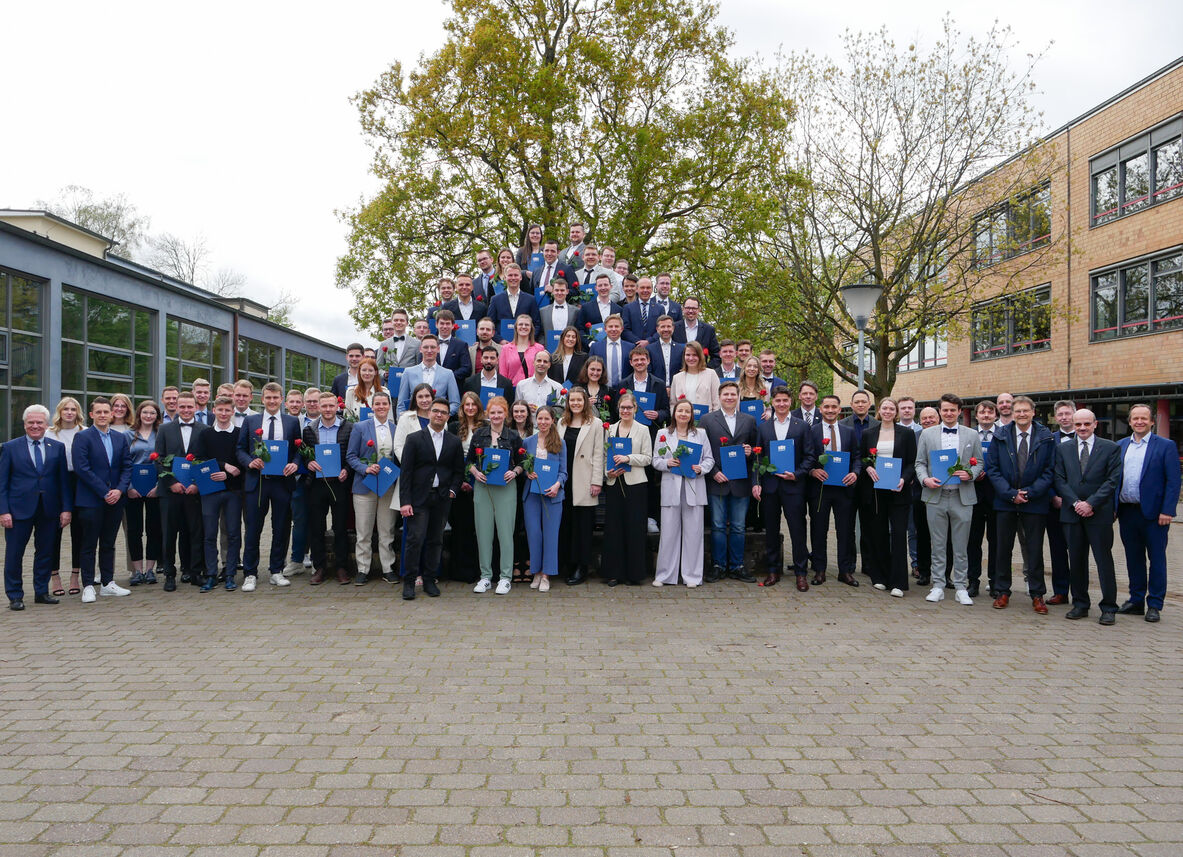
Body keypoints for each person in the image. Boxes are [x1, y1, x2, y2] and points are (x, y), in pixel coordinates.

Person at [985, 395, 1056, 613]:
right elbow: (992, 469)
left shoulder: (1046, 437)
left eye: (1026, 410)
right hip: (1005, 502)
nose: (1022, 414)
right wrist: (1010, 494)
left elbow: (1049, 470)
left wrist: (1029, 493)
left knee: (1034, 550)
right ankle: (1002, 591)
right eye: (1018, 411)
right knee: (1002, 549)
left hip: (1034, 502)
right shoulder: (1000, 435)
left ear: (1034, 412)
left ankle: (1037, 595)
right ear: (1012, 414)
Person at [914, 393, 984, 606]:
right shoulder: (928, 434)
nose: (949, 413)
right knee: (937, 544)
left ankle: (961, 587)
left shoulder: (971, 435)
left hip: (962, 497)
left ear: (959, 412)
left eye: (953, 410)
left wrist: (970, 473)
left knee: (961, 545)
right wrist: (925, 480)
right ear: (939, 411)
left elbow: (979, 462)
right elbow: (920, 463)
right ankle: (938, 585)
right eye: (945, 410)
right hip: (936, 496)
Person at [1, 405, 72, 610]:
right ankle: (15, 595)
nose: (35, 426)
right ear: (24, 425)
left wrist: (66, 509)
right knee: (14, 553)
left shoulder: (56, 448)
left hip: (49, 509)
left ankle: (41, 592)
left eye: (39, 422)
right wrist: (3, 510)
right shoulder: (10, 447)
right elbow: (2, 483)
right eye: (31, 422)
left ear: (46, 425)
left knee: (45, 552)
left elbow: (63, 483)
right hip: (17, 510)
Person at [1055, 409, 1122, 625]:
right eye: (1078, 425)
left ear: (1095, 424)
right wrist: (1076, 503)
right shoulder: (1062, 449)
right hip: (1072, 513)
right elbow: (1059, 479)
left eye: (1086, 424)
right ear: (1073, 426)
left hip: (1098, 513)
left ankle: (1109, 607)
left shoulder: (1111, 448)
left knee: (1103, 560)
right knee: (1076, 560)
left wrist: (1090, 503)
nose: (1082, 428)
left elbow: (1112, 480)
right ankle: (1080, 604)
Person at [1116, 403, 1180, 623]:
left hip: (1155, 515)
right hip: (1127, 512)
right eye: (1135, 418)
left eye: (1144, 418)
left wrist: (1168, 510)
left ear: (1152, 421)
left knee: (1157, 559)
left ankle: (1154, 604)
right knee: (1133, 559)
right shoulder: (1121, 445)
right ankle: (1135, 600)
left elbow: (1173, 481)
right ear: (1130, 421)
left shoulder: (1165, 446)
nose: (1139, 422)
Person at [398, 397, 465, 601]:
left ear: (448, 416)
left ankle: (429, 580)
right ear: (429, 413)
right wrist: (405, 501)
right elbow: (406, 472)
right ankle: (409, 582)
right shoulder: (414, 438)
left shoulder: (453, 441)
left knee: (436, 541)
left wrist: (453, 490)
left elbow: (458, 471)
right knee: (415, 540)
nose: (439, 415)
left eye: (443, 412)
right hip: (418, 499)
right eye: (436, 411)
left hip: (442, 498)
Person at [235, 382, 301, 591]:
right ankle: (250, 573)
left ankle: (276, 570)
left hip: (282, 482)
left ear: (282, 399)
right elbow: (240, 449)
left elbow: (299, 449)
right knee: (253, 528)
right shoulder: (250, 420)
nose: (272, 401)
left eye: (276, 398)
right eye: (268, 398)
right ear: (262, 399)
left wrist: (295, 463)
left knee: (280, 528)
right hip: (257, 482)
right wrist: (249, 462)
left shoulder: (291, 422)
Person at [753, 387, 817, 590]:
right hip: (770, 487)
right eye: (777, 400)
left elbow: (810, 456)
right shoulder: (763, 428)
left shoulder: (801, 426)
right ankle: (773, 571)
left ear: (791, 402)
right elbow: (757, 457)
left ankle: (801, 573)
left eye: (785, 400)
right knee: (771, 531)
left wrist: (797, 474)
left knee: (798, 530)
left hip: (793, 486)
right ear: (772, 402)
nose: (781, 404)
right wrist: (757, 482)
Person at [72, 398, 133, 603]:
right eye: (98, 412)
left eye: (106, 412)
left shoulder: (120, 438)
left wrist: (119, 490)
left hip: (116, 500)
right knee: (89, 543)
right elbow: (82, 468)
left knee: (109, 543)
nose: (103, 415)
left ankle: (107, 583)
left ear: (112, 414)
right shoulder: (82, 437)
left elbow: (127, 467)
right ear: (91, 415)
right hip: (91, 500)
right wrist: (104, 491)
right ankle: (88, 585)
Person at [700, 381, 758, 582]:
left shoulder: (749, 420)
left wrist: (750, 453)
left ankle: (737, 566)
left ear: (738, 396)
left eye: (733, 394)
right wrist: (713, 472)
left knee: (738, 526)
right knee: (716, 525)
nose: (730, 398)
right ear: (719, 397)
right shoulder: (707, 420)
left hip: (740, 482)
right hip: (717, 481)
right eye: (726, 394)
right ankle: (718, 566)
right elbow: (702, 451)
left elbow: (755, 451)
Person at [858, 397, 916, 597]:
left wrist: (904, 479)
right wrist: (868, 467)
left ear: (896, 412)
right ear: (879, 410)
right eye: (885, 408)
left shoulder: (906, 434)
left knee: (899, 535)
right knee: (878, 533)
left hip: (898, 490)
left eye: (892, 408)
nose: (888, 411)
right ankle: (880, 577)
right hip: (875, 491)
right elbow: (861, 457)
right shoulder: (868, 433)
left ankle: (899, 582)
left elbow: (912, 462)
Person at [653, 400, 714, 587]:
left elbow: (709, 459)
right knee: (669, 534)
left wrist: (700, 468)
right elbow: (655, 460)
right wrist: (667, 463)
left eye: (687, 411)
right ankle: (664, 576)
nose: (683, 414)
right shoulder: (663, 433)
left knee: (694, 534)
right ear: (674, 413)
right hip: (671, 487)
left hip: (694, 487)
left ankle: (692, 576)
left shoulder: (700, 434)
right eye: (680, 410)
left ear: (691, 415)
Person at [467, 396, 523, 594]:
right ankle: (485, 576)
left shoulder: (514, 436)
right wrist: (475, 472)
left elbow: (523, 462)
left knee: (505, 533)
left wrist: (514, 472)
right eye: (493, 413)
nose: (496, 416)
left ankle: (505, 577)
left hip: (506, 488)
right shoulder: (479, 434)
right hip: (483, 488)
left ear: (506, 414)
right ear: (487, 415)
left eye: (500, 412)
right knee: (483, 533)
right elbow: (469, 461)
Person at [806, 394, 861, 586]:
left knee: (845, 530)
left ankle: (844, 571)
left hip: (844, 488)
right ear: (820, 409)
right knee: (818, 529)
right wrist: (812, 471)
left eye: (834, 407)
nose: (830, 410)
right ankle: (819, 570)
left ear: (840, 409)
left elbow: (857, 457)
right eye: (826, 407)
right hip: (819, 488)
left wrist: (855, 473)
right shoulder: (811, 431)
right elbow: (806, 457)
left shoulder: (849, 432)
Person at [156, 391, 208, 592]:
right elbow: (158, 458)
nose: (186, 410)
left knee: (196, 532)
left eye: (190, 406)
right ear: (176, 407)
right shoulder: (164, 429)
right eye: (182, 406)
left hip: (194, 491)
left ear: (196, 407)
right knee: (169, 534)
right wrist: (171, 483)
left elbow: (206, 460)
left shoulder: (205, 429)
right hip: (170, 491)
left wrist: (198, 483)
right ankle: (170, 574)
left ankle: (195, 572)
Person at [347, 391, 400, 586]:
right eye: (377, 404)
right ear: (371, 406)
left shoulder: (396, 429)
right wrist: (366, 468)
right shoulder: (360, 427)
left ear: (389, 406)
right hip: (364, 485)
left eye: (384, 404)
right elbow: (351, 456)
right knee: (364, 531)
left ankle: (387, 568)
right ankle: (363, 569)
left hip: (388, 486)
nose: (380, 407)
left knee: (387, 530)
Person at [191, 396, 243, 592]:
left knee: (233, 534)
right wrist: (223, 466)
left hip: (233, 491)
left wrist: (229, 472)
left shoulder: (239, 433)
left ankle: (230, 574)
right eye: (220, 410)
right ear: (214, 410)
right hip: (210, 491)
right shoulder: (205, 434)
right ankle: (211, 574)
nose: (223, 414)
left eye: (227, 410)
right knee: (210, 534)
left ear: (232, 412)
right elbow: (199, 458)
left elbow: (244, 460)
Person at [303, 391, 353, 586]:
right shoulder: (309, 429)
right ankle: (320, 567)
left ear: (337, 407)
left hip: (339, 483)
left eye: (331, 406)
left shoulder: (349, 428)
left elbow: (352, 454)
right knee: (316, 527)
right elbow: (304, 453)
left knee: (340, 527)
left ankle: (341, 567)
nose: (327, 409)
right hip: (317, 484)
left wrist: (347, 470)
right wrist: (309, 463)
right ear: (318, 407)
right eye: (324, 406)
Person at [603, 392, 654, 586]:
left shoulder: (642, 429)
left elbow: (648, 458)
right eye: (622, 408)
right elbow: (603, 455)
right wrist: (608, 473)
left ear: (635, 409)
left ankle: (634, 574)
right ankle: (614, 573)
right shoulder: (609, 429)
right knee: (614, 529)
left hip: (636, 485)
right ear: (618, 409)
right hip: (614, 484)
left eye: (629, 408)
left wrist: (628, 459)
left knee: (634, 529)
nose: (625, 411)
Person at [620, 345, 671, 532]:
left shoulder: (658, 384)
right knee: (629, 475)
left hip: (651, 435)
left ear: (648, 361)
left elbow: (667, 411)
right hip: (629, 436)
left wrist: (657, 414)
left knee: (648, 477)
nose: (640, 362)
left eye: (643, 359)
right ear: (631, 362)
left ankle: (650, 517)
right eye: (636, 360)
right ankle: (630, 517)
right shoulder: (623, 384)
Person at [557, 387, 604, 585]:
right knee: (566, 524)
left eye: (579, 400)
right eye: (572, 400)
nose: (575, 403)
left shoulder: (596, 423)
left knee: (583, 526)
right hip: (564, 480)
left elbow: (599, 453)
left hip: (584, 479)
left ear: (585, 402)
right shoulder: (561, 422)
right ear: (567, 403)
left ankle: (581, 566)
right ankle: (567, 563)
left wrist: (596, 481)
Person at [522, 406, 568, 591]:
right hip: (532, 494)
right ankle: (536, 572)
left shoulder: (560, 443)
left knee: (551, 535)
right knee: (534, 534)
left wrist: (557, 485)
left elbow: (564, 471)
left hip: (552, 495)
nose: (542, 422)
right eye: (539, 418)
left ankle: (547, 575)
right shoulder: (528, 442)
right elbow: (523, 466)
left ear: (552, 421)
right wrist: (527, 473)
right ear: (535, 420)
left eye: (546, 419)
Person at [47, 397, 85, 597]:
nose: (69, 412)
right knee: (54, 532)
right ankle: (55, 577)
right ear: (59, 411)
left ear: (77, 412)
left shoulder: (84, 432)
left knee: (79, 532)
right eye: (65, 409)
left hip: (79, 483)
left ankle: (74, 575)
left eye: (73, 409)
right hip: (56, 484)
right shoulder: (50, 433)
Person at [841, 389, 880, 578]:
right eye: (857, 402)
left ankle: (868, 564)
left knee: (868, 525)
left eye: (864, 402)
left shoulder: (879, 425)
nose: (860, 405)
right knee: (847, 525)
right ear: (852, 404)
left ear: (869, 404)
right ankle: (848, 564)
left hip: (870, 482)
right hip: (848, 479)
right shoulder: (842, 424)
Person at [448, 392, 485, 582]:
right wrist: (461, 480)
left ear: (478, 407)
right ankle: (460, 570)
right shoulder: (454, 427)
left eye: (473, 404)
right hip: (458, 481)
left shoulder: (485, 427)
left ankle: (479, 570)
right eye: (466, 405)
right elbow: (451, 457)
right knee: (461, 528)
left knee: (479, 528)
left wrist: (474, 479)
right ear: (462, 408)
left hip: (480, 482)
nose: (470, 408)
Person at [125, 400, 162, 586]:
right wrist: (129, 487)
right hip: (133, 490)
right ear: (139, 414)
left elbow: (164, 461)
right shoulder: (128, 435)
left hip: (154, 488)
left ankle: (150, 570)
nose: (148, 416)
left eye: (152, 413)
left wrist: (159, 485)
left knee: (154, 529)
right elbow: (123, 463)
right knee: (134, 530)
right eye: (145, 412)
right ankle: (137, 570)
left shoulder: (161, 434)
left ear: (157, 416)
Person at [1044, 399, 1077, 604]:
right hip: (1054, 505)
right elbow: (1043, 470)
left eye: (1067, 413)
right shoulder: (1048, 440)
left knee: (1078, 550)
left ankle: (1080, 593)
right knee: (1057, 550)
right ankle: (1061, 591)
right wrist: (1052, 496)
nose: (1064, 417)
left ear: (1074, 414)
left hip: (1080, 505)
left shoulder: (1090, 439)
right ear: (1056, 418)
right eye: (1060, 414)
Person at [967, 400, 999, 598]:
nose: (986, 415)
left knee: (996, 541)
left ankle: (996, 582)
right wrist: (972, 472)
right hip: (973, 492)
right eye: (982, 412)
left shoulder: (1004, 435)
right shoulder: (968, 436)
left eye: (989, 412)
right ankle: (973, 581)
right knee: (973, 541)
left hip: (997, 494)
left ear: (995, 415)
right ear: (976, 415)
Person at [397, 335, 460, 417]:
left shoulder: (448, 374)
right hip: (414, 421)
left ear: (438, 349)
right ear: (420, 349)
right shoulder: (408, 372)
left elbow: (455, 403)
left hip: (438, 422)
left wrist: (441, 414)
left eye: (433, 347)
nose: (429, 350)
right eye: (426, 347)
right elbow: (401, 404)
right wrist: (404, 421)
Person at [488, 263, 542, 339]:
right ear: (505, 277)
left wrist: (528, 340)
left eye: (516, 275)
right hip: (502, 346)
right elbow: (490, 324)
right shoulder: (495, 300)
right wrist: (500, 341)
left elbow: (537, 324)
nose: (513, 278)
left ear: (521, 277)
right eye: (510, 275)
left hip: (525, 345)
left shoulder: (531, 299)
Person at [670, 341, 720, 412]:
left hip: (706, 421)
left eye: (694, 355)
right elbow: (673, 404)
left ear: (700, 356)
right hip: (683, 420)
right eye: (688, 355)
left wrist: (713, 421)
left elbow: (717, 402)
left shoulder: (711, 374)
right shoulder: (677, 377)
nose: (691, 358)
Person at [588, 315, 633, 387]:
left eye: (616, 326)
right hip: (602, 388)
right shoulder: (595, 347)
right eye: (610, 326)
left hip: (625, 389)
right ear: (605, 329)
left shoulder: (630, 347)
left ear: (622, 329)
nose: (613, 329)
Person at [433, 310, 473, 384]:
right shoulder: (429, 343)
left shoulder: (461, 345)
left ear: (453, 325)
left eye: (448, 324)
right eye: (442, 323)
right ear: (436, 324)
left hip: (454, 386)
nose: (444, 326)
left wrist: (448, 377)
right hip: (431, 387)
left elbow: (467, 369)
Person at [646, 315, 685, 389]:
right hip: (656, 390)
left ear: (673, 328)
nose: (666, 329)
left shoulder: (681, 349)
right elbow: (648, 373)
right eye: (663, 327)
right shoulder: (649, 349)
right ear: (657, 329)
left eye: (668, 326)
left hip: (677, 389)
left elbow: (683, 371)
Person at [621, 276, 659, 345]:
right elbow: (625, 329)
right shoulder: (627, 308)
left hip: (653, 346)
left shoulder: (660, 308)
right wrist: (639, 342)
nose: (645, 290)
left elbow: (661, 329)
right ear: (637, 289)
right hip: (633, 347)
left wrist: (648, 341)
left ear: (652, 289)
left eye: (648, 288)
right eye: (642, 287)